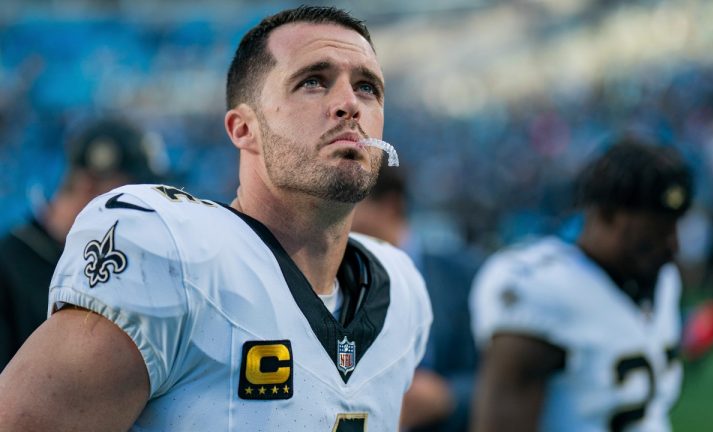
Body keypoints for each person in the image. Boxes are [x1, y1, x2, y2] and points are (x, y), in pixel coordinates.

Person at [0, 6, 432, 431]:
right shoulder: (170, 251)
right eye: (313, 82)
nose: (348, 104)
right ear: (244, 129)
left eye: (367, 88)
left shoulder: (401, 288)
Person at [470, 138, 694, 432]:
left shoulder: (662, 279)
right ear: (606, 214)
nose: (673, 245)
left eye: (675, 226)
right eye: (656, 230)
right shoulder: (541, 287)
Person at [0, 117, 166, 368]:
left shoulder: (111, 261)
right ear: (90, 187)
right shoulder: (9, 262)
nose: (144, 207)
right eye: (135, 193)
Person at [352, 166, 480, 432]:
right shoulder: (329, 278)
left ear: (390, 206)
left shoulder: (465, 276)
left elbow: (503, 380)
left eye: (348, 200)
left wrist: (447, 396)